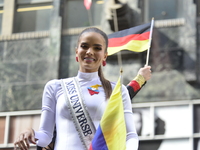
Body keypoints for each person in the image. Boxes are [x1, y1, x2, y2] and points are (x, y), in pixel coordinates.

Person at [14, 27, 143, 150]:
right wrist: (31, 133)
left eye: (97, 48)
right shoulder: (54, 87)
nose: (90, 51)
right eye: (84, 46)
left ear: (104, 55)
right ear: (77, 51)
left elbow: (130, 135)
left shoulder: (118, 90)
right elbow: (46, 138)